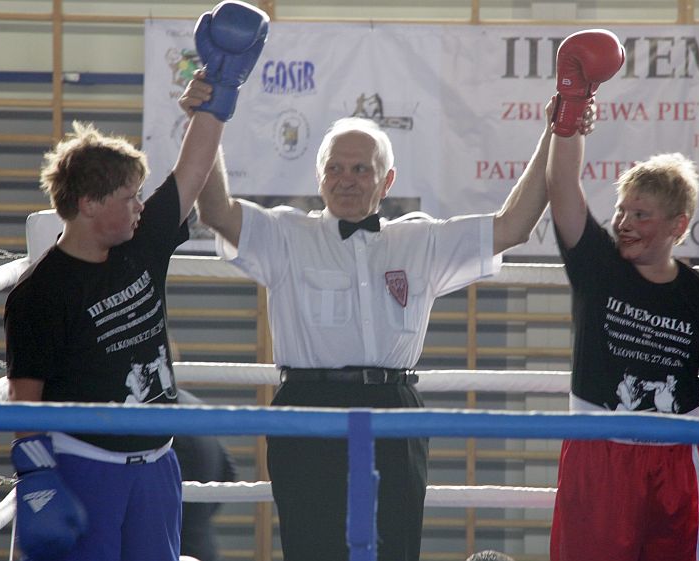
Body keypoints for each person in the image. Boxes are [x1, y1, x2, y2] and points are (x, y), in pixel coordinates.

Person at [179, 76, 569, 561]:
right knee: (312, 549)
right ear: (319, 177)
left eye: (361, 169)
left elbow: (514, 225)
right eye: (336, 168)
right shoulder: (286, 235)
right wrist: (207, 115)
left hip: (394, 406)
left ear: (387, 181)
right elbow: (215, 210)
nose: (347, 179)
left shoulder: (420, 242)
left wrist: (559, 128)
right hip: (307, 406)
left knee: (395, 548)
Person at [4, 3, 268, 560]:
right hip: (85, 467)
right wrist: (38, 479)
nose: (138, 209)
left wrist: (220, 91)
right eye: (127, 200)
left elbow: (191, 172)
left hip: (158, 465)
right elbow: (23, 402)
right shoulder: (39, 294)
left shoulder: (139, 242)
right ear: (90, 203)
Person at [544, 29, 699, 561]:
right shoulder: (598, 268)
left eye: (640, 215)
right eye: (622, 211)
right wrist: (573, 106)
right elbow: (562, 188)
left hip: (677, 458)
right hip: (598, 453)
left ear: (677, 224)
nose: (623, 223)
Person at [173, 389, 238, 561]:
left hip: (174, 544)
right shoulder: (196, 406)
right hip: (202, 543)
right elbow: (229, 471)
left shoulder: (154, 414)